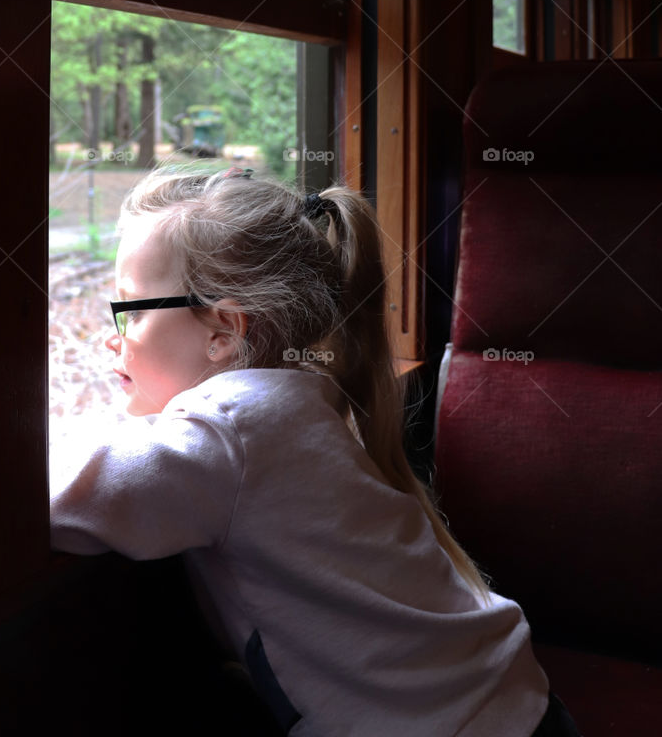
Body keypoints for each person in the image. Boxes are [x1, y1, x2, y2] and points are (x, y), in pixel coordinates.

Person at [50, 165, 581, 737]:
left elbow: (55, 494)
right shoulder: (297, 400)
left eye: (131, 310)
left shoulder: (227, 433)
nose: (112, 337)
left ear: (223, 331)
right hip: (510, 695)